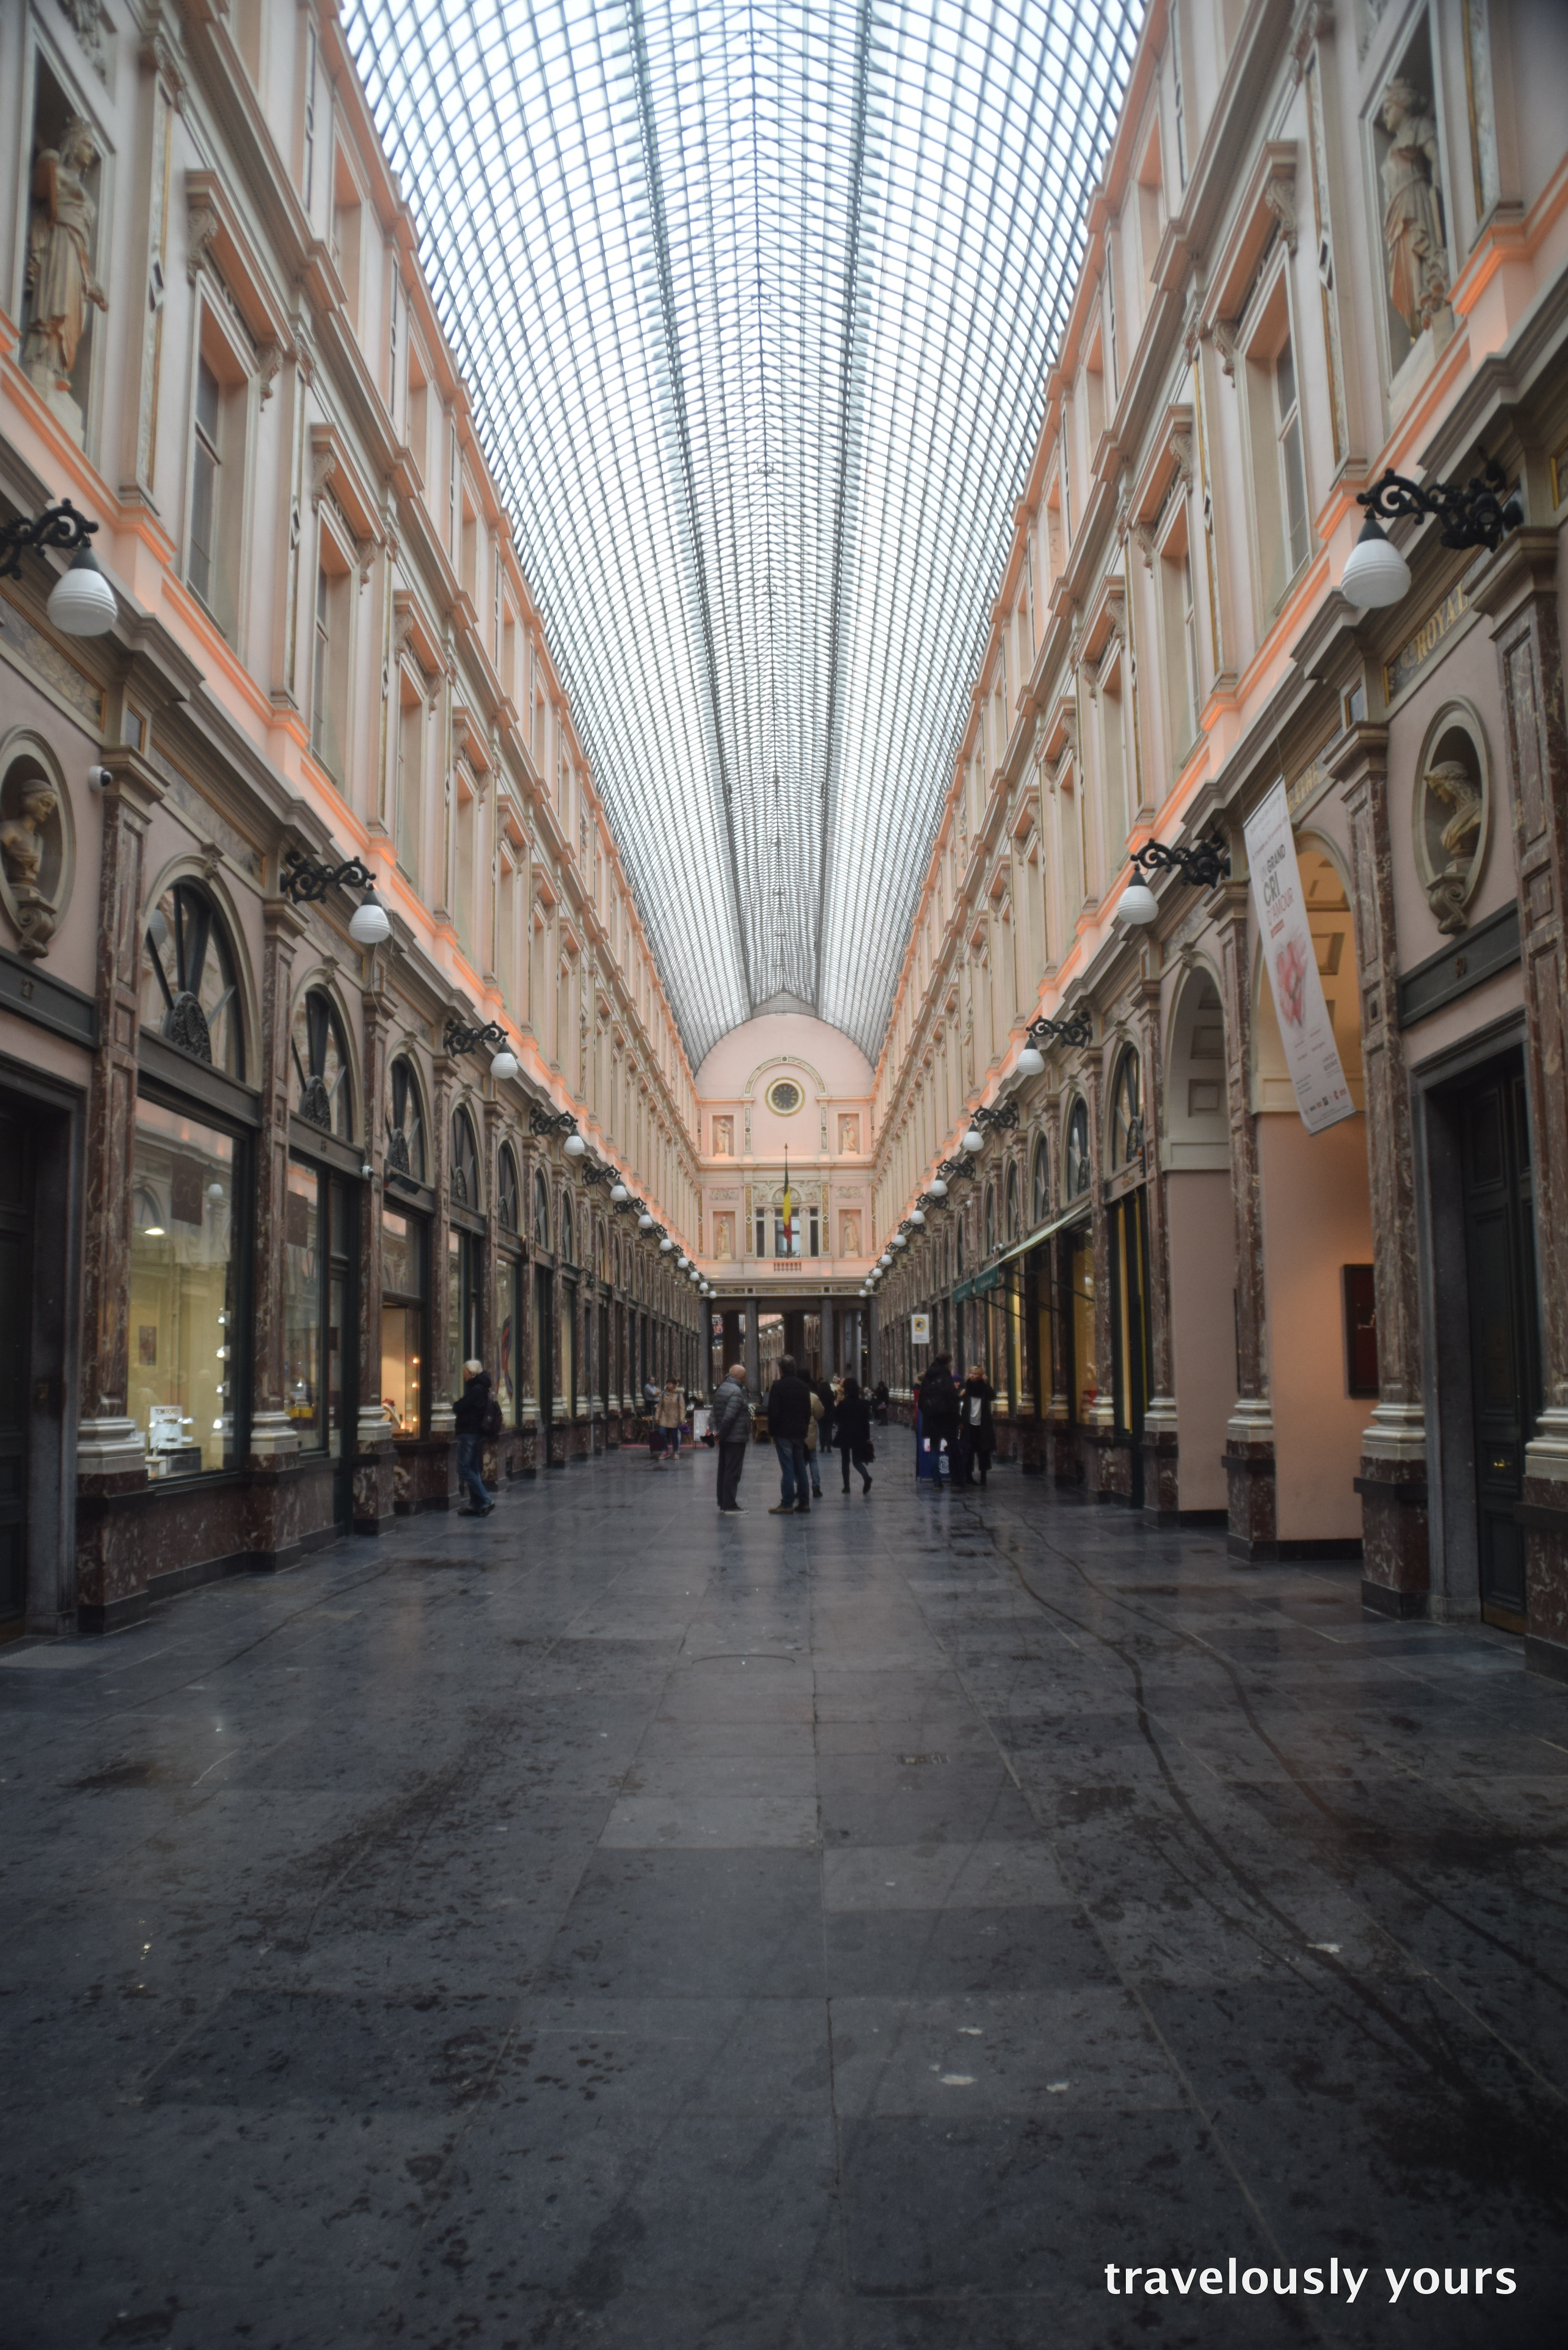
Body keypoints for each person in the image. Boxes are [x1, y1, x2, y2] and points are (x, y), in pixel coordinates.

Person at [766, 1355, 814, 1514]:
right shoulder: (803, 1386)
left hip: (783, 1433)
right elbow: (808, 1411)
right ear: (794, 1368)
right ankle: (805, 1503)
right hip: (799, 1433)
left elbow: (774, 1413)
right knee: (800, 1467)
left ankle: (787, 1504)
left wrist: (772, 1431)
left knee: (788, 1468)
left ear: (780, 1370)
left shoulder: (778, 1387)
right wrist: (805, 1429)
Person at [453, 1356, 500, 1516]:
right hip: (475, 1434)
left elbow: (460, 1407)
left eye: (465, 1372)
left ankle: (486, 1500)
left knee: (463, 1468)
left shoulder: (476, 1390)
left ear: (472, 1373)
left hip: (469, 1433)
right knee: (473, 1468)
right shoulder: (481, 1388)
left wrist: (457, 1404)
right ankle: (475, 1504)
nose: (464, 1375)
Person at [710, 1362, 752, 1513]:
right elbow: (729, 1417)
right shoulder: (736, 1392)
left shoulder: (722, 1388)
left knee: (724, 1469)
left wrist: (716, 1432)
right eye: (745, 1376)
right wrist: (721, 1434)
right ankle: (729, 1504)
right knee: (733, 1471)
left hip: (726, 1437)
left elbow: (713, 1413)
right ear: (742, 1376)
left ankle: (723, 1501)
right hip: (735, 1438)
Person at [917, 1352, 960, 1484]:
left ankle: (937, 1481)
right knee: (953, 1447)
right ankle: (955, 1480)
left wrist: (928, 1413)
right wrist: (957, 1419)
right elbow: (953, 1400)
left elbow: (921, 1401)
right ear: (947, 1363)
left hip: (931, 1420)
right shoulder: (946, 1377)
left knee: (934, 1448)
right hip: (947, 1419)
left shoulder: (927, 1377)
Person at [957, 1364, 997, 1487]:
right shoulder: (966, 1387)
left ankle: (983, 1475)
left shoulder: (984, 1388)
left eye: (975, 1374)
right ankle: (968, 1476)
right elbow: (958, 1403)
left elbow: (993, 1396)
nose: (972, 1376)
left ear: (980, 1376)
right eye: (971, 1373)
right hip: (968, 1424)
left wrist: (987, 1383)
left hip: (982, 1424)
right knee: (968, 1450)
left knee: (983, 1451)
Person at [834, 1376, 873, 1496]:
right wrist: (867, 1437)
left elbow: (837, 1419)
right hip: (859, 1434)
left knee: (845, 1461)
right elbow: (867, 1422)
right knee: (857, 1461)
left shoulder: (843, 1404)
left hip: (845, 1434)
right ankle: (866, 1477)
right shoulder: (863, 1404)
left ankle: (847, 1487)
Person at [653, 1378, 686, 1465]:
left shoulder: (679, 1395)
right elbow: (659, 1406)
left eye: (670, 1384)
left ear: (674, 1385)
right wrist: (657, 1417)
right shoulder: (664, 1394)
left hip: (674, 1418)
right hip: (664, 1417)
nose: (668, 1386)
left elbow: (682, 1408)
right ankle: (666, 1451)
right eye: (667, 1384)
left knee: (674, 1436)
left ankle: (675, 1451)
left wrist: (682, 1419)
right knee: (662, 1433)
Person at [804, 1384, 825, 1500]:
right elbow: (820, 1413)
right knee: (813, 1460)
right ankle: (816, 1486)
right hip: (810, 1434)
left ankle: (801, 1487)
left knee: (799, 1462)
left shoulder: (793, 1396)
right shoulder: (813, 1397)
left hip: (796, 1434)